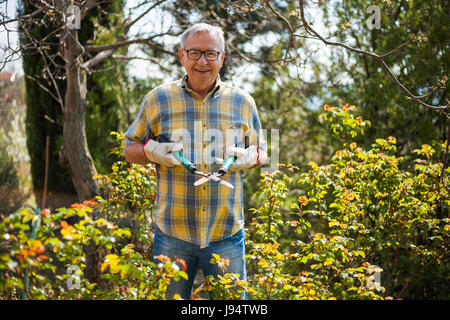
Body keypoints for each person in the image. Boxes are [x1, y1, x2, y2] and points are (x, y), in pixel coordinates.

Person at [123, 23, 267, 299]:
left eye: (211, 54)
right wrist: (151, 150)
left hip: (226, 233)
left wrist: (249, 158)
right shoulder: (158, 99)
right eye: (194, 53)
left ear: (222, 58)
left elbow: (261, 152)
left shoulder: (243, 102)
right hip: (172, 234)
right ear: (181, 56)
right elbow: (130, 147)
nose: (203, 61)